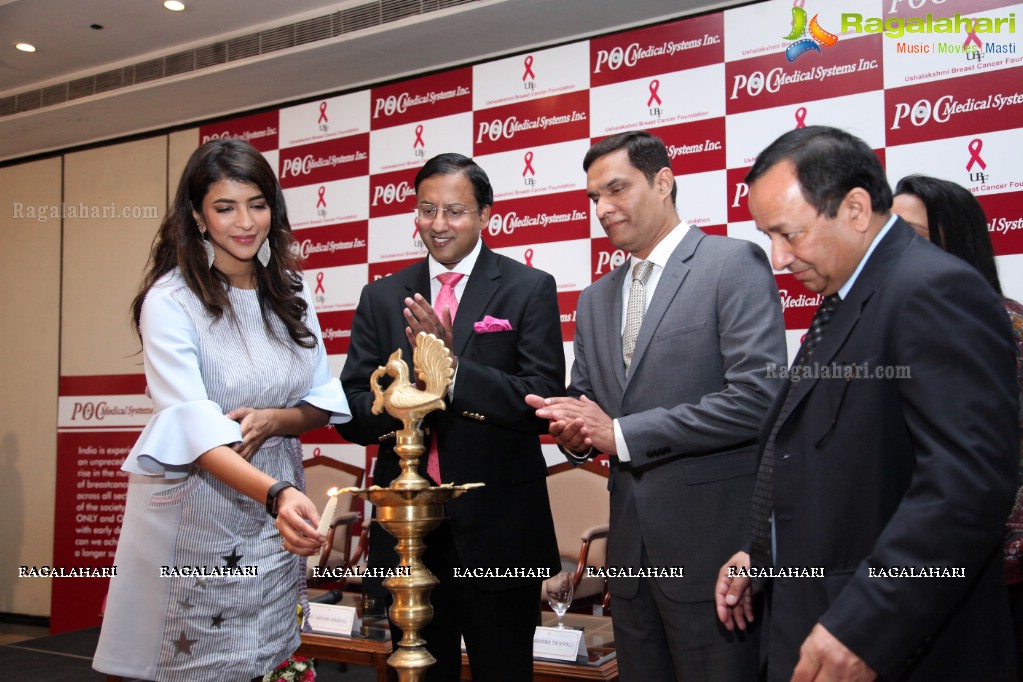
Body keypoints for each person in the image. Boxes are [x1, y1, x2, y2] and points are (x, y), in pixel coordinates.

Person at [716, 126, 1019, 681]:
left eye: (789, 234)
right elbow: (813, 457)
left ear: (856, 208)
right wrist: (759, 553)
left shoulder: (931, 289)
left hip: (894, 644)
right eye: (769, 238)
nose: (779, 259)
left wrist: (865, 624)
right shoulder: (844, 297)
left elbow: (965, 486)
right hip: (812, 617)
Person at [526, 130, 787, 681]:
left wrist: (619, 433)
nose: (603, 208)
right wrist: (573, 431)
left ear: (664, 182)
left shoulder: (731, 264)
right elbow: (590, 399)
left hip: (715, 556)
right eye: (593, 197)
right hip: (629, 560)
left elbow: (757, 397)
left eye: (616, 189)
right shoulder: (596, 299)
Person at [93, 138, 351, 682]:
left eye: (257, 204)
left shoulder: (291, 290)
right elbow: (195, 432)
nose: (245, 222)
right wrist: (276, 494)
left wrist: (276, 420)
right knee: (199, 660)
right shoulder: (170, 301)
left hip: (279, 504)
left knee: (270, 654)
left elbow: (321, 401)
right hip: (200, 511)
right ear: (196, 215)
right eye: (225, 207)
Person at [337, 152, 563, 681]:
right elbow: (352, 410)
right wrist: (406, 396)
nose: (438, 225)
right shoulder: (382, 295)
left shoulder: (528, 288)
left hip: (501, 531)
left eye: (455, 211)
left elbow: (543, 402)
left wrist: (453, 372)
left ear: (486, 214)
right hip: (410, 534)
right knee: (416, 674)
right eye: (426, 210)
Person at [893, 174, 1023, 675]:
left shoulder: (1005, 326)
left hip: (996, 578)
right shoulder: (885, 328)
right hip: (908, 576)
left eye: (914, 234)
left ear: (956, 239)